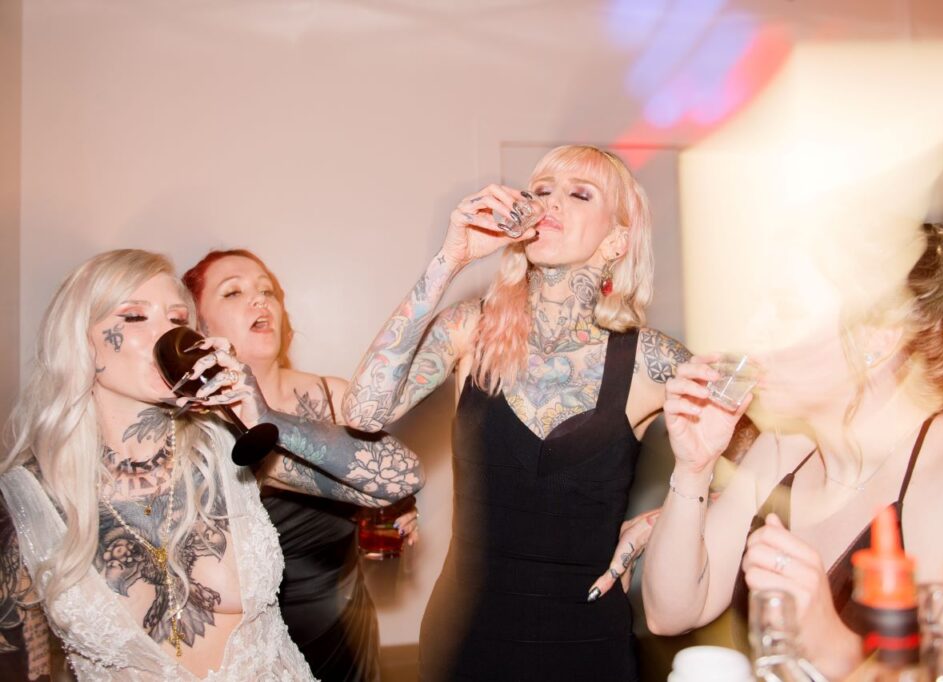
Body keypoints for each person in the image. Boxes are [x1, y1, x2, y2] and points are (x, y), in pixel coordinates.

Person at [340, 145, 691, 681]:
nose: (551, 201)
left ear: (617, 239)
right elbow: (363, 411)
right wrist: (449, 261)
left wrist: (662, 519)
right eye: (542, 189)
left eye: (580, 193)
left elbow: (750, 456)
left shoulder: (651, 359)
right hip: (465, 641)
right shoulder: (470, 329)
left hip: (588, 646)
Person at [0, 249, 423, 680]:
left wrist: (266, 419)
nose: (165, 334)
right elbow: (24, 663)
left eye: (176, 319)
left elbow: (400, 478)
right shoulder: (24, 502)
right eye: (135, 316)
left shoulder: (226, 449)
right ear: (80, 340)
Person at [645, 222, 943, 679]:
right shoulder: (783, 449)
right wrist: (693, 467)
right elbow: (672, 612)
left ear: (877, 338)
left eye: (783, 308)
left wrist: (837, 650)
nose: (752, 329)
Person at [183, 249, 419, 681]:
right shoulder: (191, 428)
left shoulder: (334, 398)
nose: (260, 301)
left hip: (346, 631)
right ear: (199, 328)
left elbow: (391, 476)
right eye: (233, 292)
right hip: (243, 648)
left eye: (267, 291)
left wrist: (395, 504)